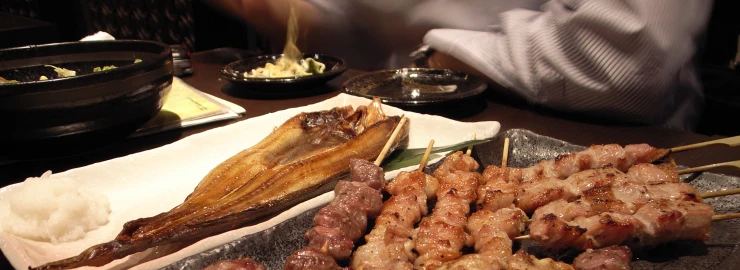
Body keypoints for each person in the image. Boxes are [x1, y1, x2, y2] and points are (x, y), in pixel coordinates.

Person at [207, 0, 714, 130]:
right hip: (391, 120)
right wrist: (298, 14)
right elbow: (355, 20)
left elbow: (632, 52)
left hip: (596, 131)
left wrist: (441, 59)